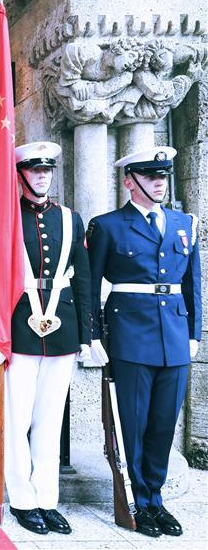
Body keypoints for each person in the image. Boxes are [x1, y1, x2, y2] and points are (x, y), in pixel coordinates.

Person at [87, 146, 201, 538]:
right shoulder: (107, 226)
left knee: (163, 424)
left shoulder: (185, 222)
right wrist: (94, 336)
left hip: (174, 334)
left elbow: (193, 285)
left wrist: (194, 333)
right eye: (151, 176)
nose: (159, 182)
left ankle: (156, 497)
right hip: (130, 334)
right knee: (134, 423)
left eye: (163, 176)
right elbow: (90, 285)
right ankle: (139, 499)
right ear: (129, 182)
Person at [0, 142, 95, 536]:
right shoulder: (7, 218)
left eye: (47, 170)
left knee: (50, 420)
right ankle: (22, 499)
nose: (42, 175)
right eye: (35, 170)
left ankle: (47, 498)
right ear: (20, 175)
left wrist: (87, 333)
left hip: (62, 326)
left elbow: (82, 278)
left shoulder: (71, 218)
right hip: (20, 328)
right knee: (18, 419)